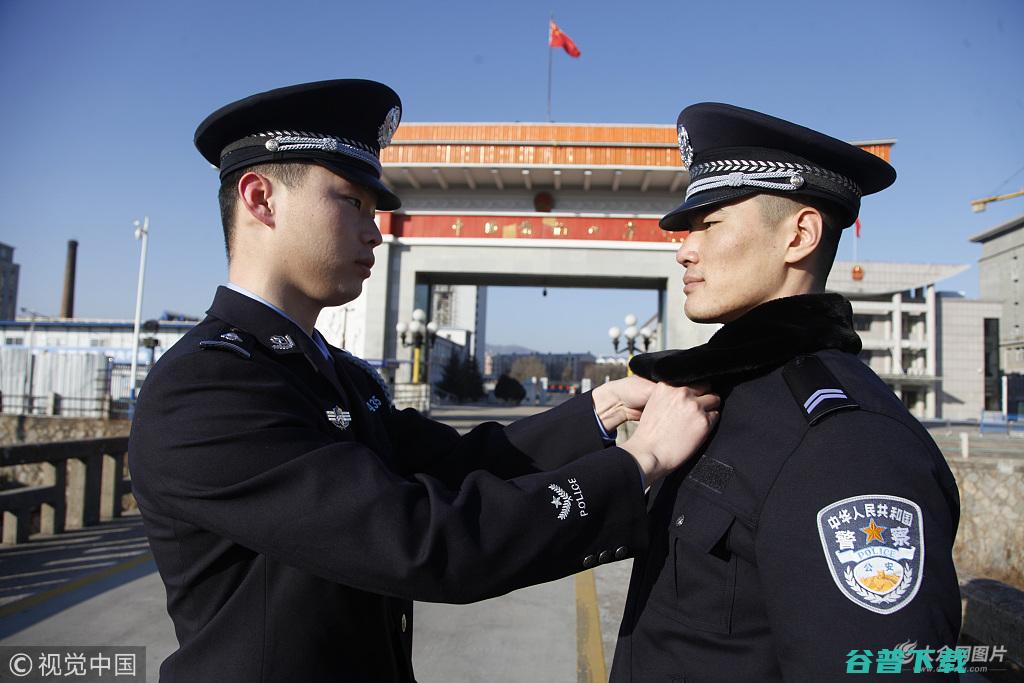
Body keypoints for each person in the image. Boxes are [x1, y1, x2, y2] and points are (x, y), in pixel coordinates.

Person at [127, 79, 720, 683]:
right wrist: (639, 463)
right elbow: (425, 540)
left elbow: (460, 465)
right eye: (351, 201)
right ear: (261, 199)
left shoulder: (332, 373)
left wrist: (605, 406)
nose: (375, 230)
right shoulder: (208, 387)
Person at [608, 103, 962, 681]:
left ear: (799, 235)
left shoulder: (846, 446)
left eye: (710, 223)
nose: (683, 249)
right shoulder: (727, 396)